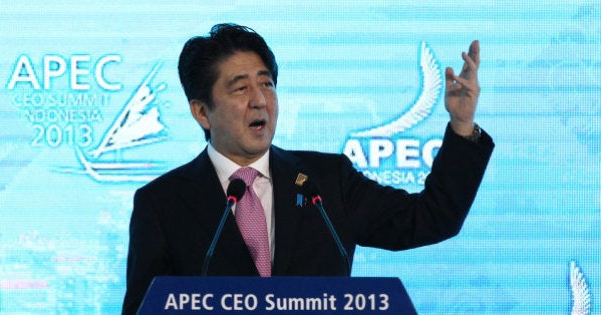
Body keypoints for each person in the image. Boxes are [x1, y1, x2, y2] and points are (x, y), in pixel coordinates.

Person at [122, 23, 494, 314]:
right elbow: (142, 309)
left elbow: (431, 218)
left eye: (266, 84)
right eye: (239, 89)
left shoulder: (326, 181)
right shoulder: (162, 204)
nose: (259, 101)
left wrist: (462, 126)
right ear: (202, 111)